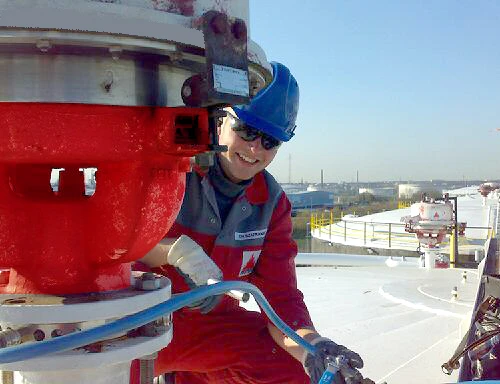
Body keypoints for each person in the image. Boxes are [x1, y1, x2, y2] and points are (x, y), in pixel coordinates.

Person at [133, 62, 369, 384]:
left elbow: (280, 297)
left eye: (270, 140)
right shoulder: (173, 175)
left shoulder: (271, 205)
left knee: (292, 370)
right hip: (144, 319)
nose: (255, 148)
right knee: (103, 367)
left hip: (212, 326)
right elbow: (116, 248)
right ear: (221, 121)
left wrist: (312, 347)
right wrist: (172, 252)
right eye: (246, 131)